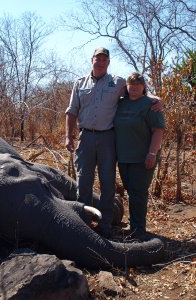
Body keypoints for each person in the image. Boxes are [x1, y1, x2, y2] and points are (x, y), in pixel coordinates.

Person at [65, 47, 162, 238]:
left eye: (104, 59)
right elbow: (71, 111)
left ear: (108, 63)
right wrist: (69, 136)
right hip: (85, 137)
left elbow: (137, 90)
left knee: (108, 182)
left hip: (108, 138)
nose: (100, 62)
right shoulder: (80, 83)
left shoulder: (117, 83)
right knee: (83, 181)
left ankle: (105, 226)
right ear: (91, 60)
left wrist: (155, 98)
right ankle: (83, 224)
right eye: (97, 58)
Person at [114, 72, 165, 240]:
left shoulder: (151, 104)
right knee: (131, 191)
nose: (134, 87)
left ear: (143, 87)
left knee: (139, 192)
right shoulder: (121, 104)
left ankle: (139, 230)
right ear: (126, 87)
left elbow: (158, 130)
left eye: (138, 84)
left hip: (143, 157)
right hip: (124, 157)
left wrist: (152, 153)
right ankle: (133, 225)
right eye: (131, 84)